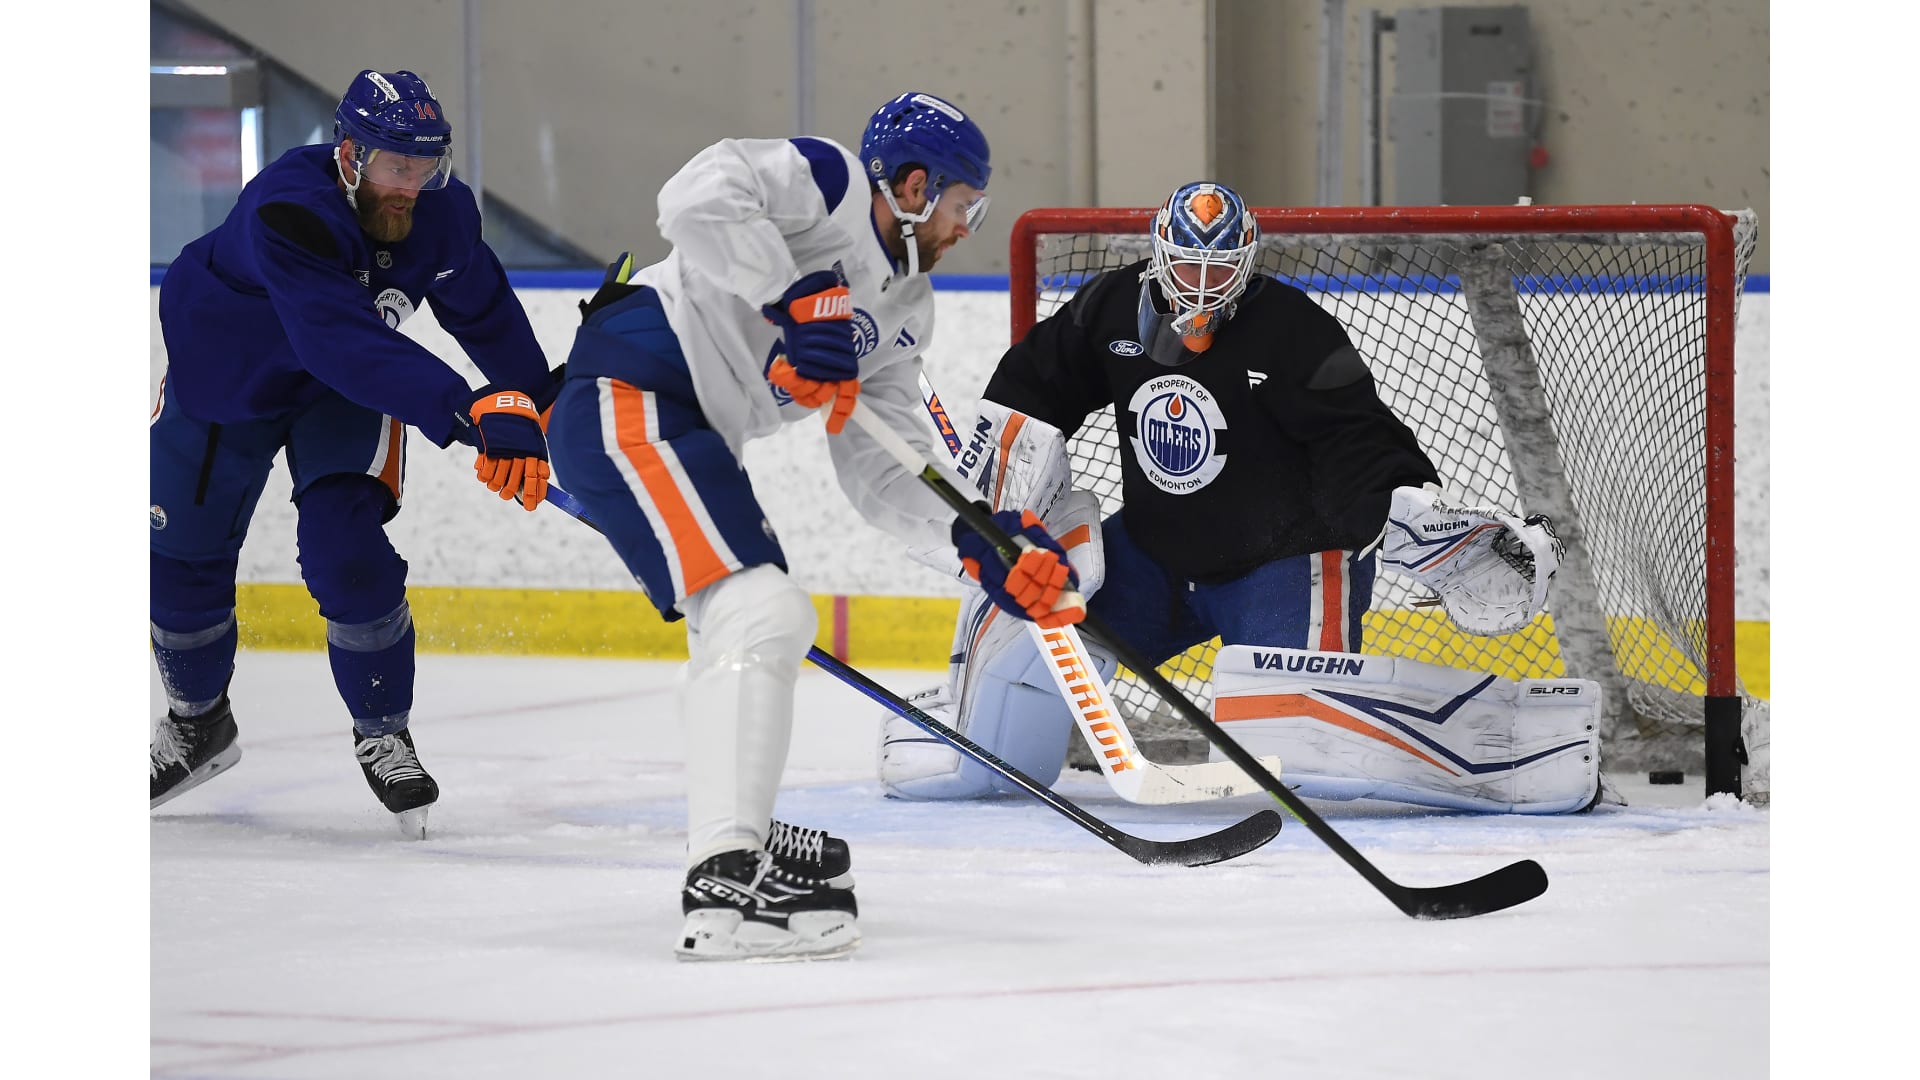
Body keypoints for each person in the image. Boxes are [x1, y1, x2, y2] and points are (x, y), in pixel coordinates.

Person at [546, 91, 1083, 961]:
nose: (965, 228)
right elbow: (693, 197)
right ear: (916, 188)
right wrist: (795, 294)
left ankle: (740, 842)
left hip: (693, 434)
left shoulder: (907, 309)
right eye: (963, 206)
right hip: (628, 393)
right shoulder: (826, 184)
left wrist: (977, 541)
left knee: (745, 627)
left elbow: (886, 465)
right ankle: (726, 869)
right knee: (763, 615)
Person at [879, 179, 1596, 814]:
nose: (1200, 286)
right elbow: (1034, 388)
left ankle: (1512, 743)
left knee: (1298, 744)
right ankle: (976, 734)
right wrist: (996, 506)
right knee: (1034, 616)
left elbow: (1358, 439)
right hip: (1158, 554)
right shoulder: (1112, 308)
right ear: (1159, 256)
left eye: (1218, 269)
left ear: (1245, 261)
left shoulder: (1292, 331)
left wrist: (1402, 508)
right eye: (1187, 266)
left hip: (1286, 561)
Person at [150, 69, 560, 838]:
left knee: (348, 552)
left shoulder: (442, 211)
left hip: (343, 387)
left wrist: (534, 406)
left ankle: (383, 731)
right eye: (396, 166)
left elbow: (484, 311)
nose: (411, 186)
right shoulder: (288, 209)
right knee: (180, 558)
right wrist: (467, 410)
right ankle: (196, 724)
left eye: (426, 165)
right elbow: (336, 339)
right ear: (349, 154)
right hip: (227, 373)